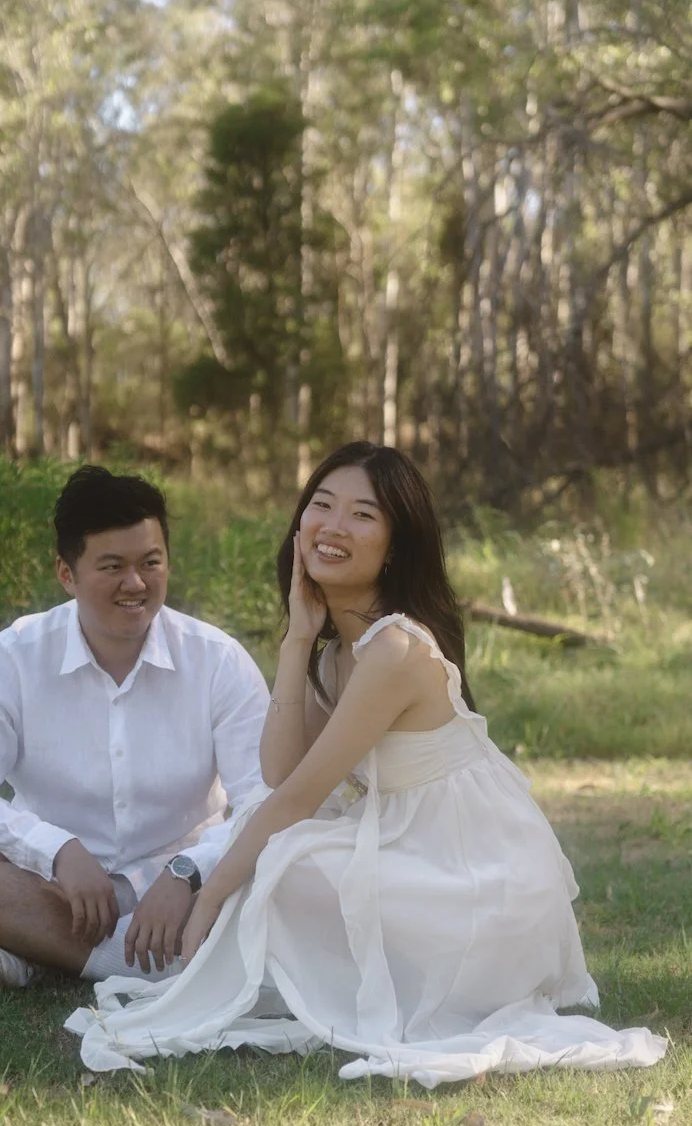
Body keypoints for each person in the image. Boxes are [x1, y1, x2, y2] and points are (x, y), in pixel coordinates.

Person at [66, 442, 667, 1086]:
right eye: (321, 506)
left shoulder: (395, 649)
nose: (333, 526)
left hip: (474, 883)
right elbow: (279, 771)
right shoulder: (338, 655)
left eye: (362, 515)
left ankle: (170, 954)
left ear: (395, 545)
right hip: (414, 851)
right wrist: (298, 638)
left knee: (277, 857)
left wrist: (208, 895)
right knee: (263, 843)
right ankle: (168, 956)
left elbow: (293, 797)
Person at [0, 466, 270, 989]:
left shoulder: (218, 660)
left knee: (282, 868)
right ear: (66, 573)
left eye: (151, 562)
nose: (136, 583)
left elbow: (263, 799)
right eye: (113, 566)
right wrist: (56, 849)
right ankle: (138, 961)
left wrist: (189, 871)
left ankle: (41, 948)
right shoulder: (14, 655)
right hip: (51, 885)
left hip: (181, 883)